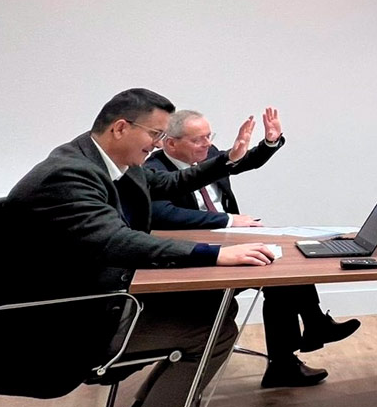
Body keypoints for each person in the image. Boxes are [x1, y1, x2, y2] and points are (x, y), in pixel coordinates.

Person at [4, 89, 281, 407]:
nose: (158, 144)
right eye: (154, 134)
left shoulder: (99, 161)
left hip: (89, 299)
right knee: (213, 333)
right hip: (58, 325)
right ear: (121, 127)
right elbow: (115, 240)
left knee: (209, 311)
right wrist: (214, 253)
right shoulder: (69, 174)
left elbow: (166, 185)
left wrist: (228, 161)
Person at [147, 110, 359, 388]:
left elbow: (243, 160)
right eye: (198, 140)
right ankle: (299, 345)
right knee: (279, 273)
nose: (207, 145)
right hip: (192, 258)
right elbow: (163, 214)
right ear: (170, 143)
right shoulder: (153, 170)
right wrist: (228, 219)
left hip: (228, 243)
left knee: (286, 264)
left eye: (209, 137)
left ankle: (294, 351)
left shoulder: (207, 157)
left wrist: (270, 142)